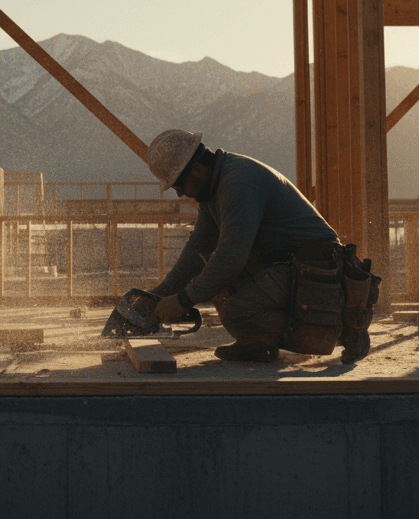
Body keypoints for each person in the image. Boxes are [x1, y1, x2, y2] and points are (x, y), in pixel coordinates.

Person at [144, 129, 380, 363]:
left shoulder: (237, 184)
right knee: (217, 285)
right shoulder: (216, 186)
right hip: (291, 264)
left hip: (317, 267)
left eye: (178, 187)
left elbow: (230, 257)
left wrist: (183, 300)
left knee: (237, 309)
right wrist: (159, 294)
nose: (180, 194)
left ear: (196, 169)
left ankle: (345, 329)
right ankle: (260, 341)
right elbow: (198, 249)